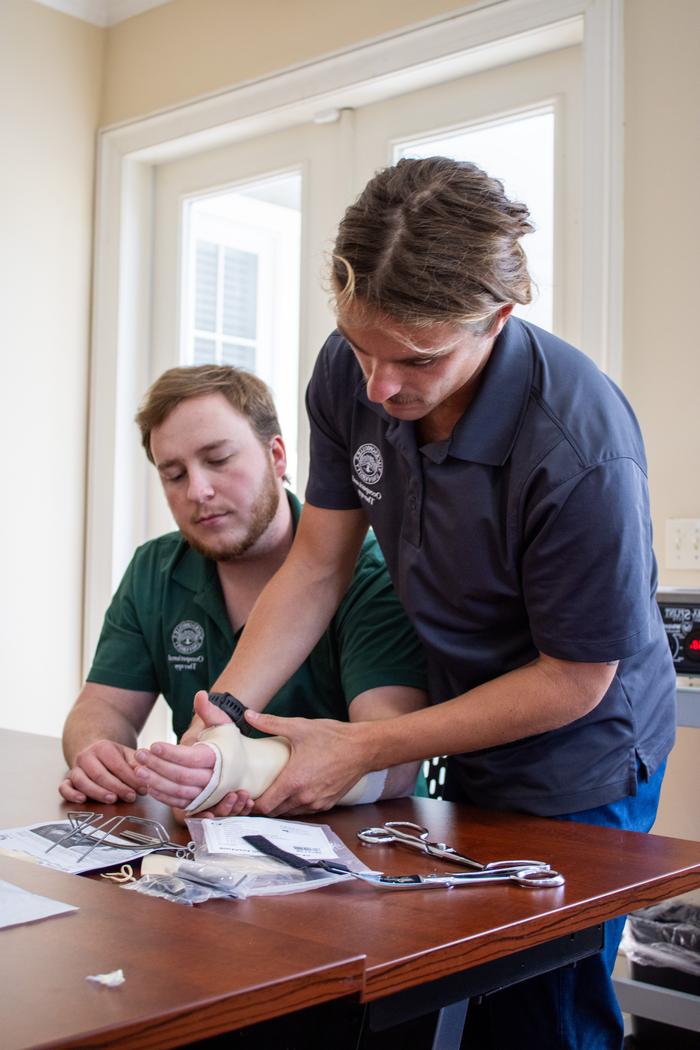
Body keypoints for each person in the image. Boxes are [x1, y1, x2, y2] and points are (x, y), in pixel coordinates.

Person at [136, 157, 676, 1049]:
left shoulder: (579, 446)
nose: (378, 388)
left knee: (542, 1008)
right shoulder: (355, 368)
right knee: (443, 988)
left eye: (417, 359)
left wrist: (364, 748)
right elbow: (317, 563)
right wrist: (220, 723)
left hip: (581, 750)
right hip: (467, 722)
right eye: (359, 346)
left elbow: (576, 678)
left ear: (497, 319)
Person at [60, 365, 427, 813]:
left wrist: (237, 775)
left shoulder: (369, 570)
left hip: (364, 846)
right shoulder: (154, 569)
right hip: (204, 846)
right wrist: (97, 752)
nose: (198, 490)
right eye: (173, 475)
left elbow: (393, 759)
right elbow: (103, 706)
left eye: (218, 460)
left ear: (276, 456)